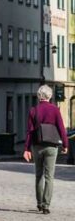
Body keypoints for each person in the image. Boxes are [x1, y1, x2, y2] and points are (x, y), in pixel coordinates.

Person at [23, 85, 68, 214]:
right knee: (49, 177)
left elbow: (30, 132)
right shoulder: (55, 110)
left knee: (39, 176)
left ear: (39, 96)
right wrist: (65, 144)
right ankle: (46, 205)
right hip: (52, 146)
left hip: (37, 146)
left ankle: (39, 203)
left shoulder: (34, 110)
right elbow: (61, 128)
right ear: (50, 96)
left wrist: (27, 148)